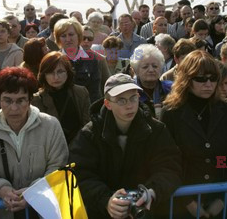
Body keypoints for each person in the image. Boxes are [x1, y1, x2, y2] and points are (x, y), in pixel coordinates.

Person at [69, 73, 182, 218]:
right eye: (121, 101)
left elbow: (170, 167)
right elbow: (80, 174)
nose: (129, 105)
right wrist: (106, 200)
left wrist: (152, 192)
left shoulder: (156, 130)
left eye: (133, 98)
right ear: (107, 104)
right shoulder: (89, 134)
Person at [162, 50, 227, 218]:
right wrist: (189, 203)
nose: (208, 84)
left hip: (221, 201)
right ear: (186, 80)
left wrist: (221, 199)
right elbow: (167, 160)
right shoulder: (171, 112)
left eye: (213, 78)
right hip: (181, 202)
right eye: (200, 78)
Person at [0, 67, 68, 218]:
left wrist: (34, 192)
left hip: (45, 212)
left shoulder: (51, 126)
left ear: (30, 100)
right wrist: (1, 189)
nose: (14, 108)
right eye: (7, 100)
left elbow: (58, 168)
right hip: (4, 212)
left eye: (20, 100)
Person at [31, 52, 90, 144]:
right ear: (43, 75)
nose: (56, 77)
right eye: (50, 72)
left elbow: (87, 124)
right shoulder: (37, 100)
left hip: (80, 147)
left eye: (60, 71)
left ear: (68, 71)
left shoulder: (81, 92)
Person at [54, 18, 106, 103]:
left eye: (71, 34)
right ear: (58, 39)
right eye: (63, 36)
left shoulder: (93, 59)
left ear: (79, 36)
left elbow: (95, 92)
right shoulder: (53, 59)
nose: (68, 39)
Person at [130, 44, 172, 118]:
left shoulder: (171, 89)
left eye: (155, 66)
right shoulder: (130, 91)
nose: (151, 70)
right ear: (136, 70)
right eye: (145, 67)